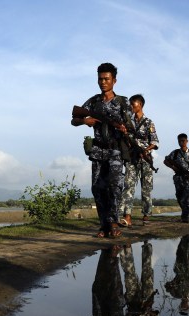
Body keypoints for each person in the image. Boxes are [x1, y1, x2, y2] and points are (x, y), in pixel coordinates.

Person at [71, 63, 133, 238]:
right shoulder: (93, 101)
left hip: (115, 151)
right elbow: (74, 119)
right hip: (98, 150)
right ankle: (104, 225)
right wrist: (85, 121)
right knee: (97, 188)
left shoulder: (122, 101)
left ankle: (113, 223)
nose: (103, 82)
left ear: (114, 80)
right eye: (100, 79)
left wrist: (124, 129)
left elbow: (130, 126)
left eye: (107, 79)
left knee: (114, 187)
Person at [119, 94, 159, 227]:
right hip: (132, 158)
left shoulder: (149, 122)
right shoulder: (128, 122)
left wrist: (145, 151)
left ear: (140, 105)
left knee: (146, 188)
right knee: (128, 186)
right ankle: (127, 216)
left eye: (133, 104)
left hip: (145, 159)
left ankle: (146, 213)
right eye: (130, 104)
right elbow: (124, 138)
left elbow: (154, 142)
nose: (131, 107)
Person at [164, 133, 189, 223]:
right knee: (179, 196)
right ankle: (187, 212)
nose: (181, 142)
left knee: (187, 197)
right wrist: (173, 167)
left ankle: (185, 216)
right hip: (178, 177)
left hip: (188, 178)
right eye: (179, 141)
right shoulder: (175, 153)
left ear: (187, 141)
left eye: (183, 141)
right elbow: (166, 161)